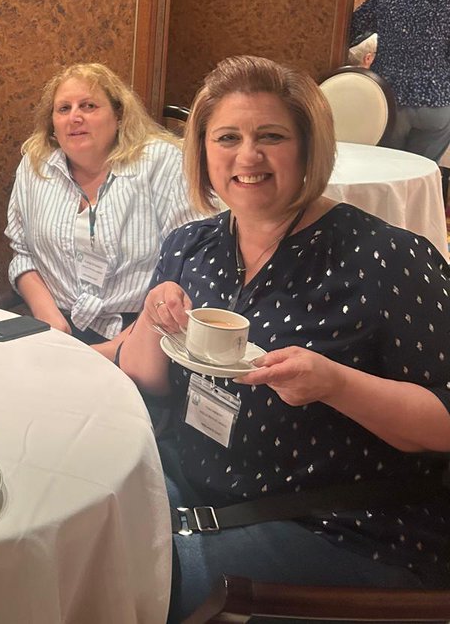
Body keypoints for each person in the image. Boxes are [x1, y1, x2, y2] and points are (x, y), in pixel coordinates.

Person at [116, 55, 450, 621]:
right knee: (89, 527)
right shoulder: (191, 247)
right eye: (227, 137)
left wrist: (334, 384)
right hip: (200, 485)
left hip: (337, 521)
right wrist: (153, 316)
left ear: (309, 148)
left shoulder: (386, 258)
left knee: (131, 582)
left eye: (271, 136)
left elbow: (441, 425)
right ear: (201, 153)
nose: (247, 156)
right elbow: (146, 377)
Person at [5, 63, 199, 359]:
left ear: (119, 115)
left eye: (89, 106)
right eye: (63, 109)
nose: (75, 117)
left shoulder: (162, 162)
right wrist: (50, 320)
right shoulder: (36, 165)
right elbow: (22, 255)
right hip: (55, 328)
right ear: (53, 124)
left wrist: (116, 349)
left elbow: (190, 265)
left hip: (144, 335)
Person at [350, 0, 450, 161]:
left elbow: (346, 33)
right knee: (420, 174)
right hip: (437, 103)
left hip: (387, 100)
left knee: (384, 171)